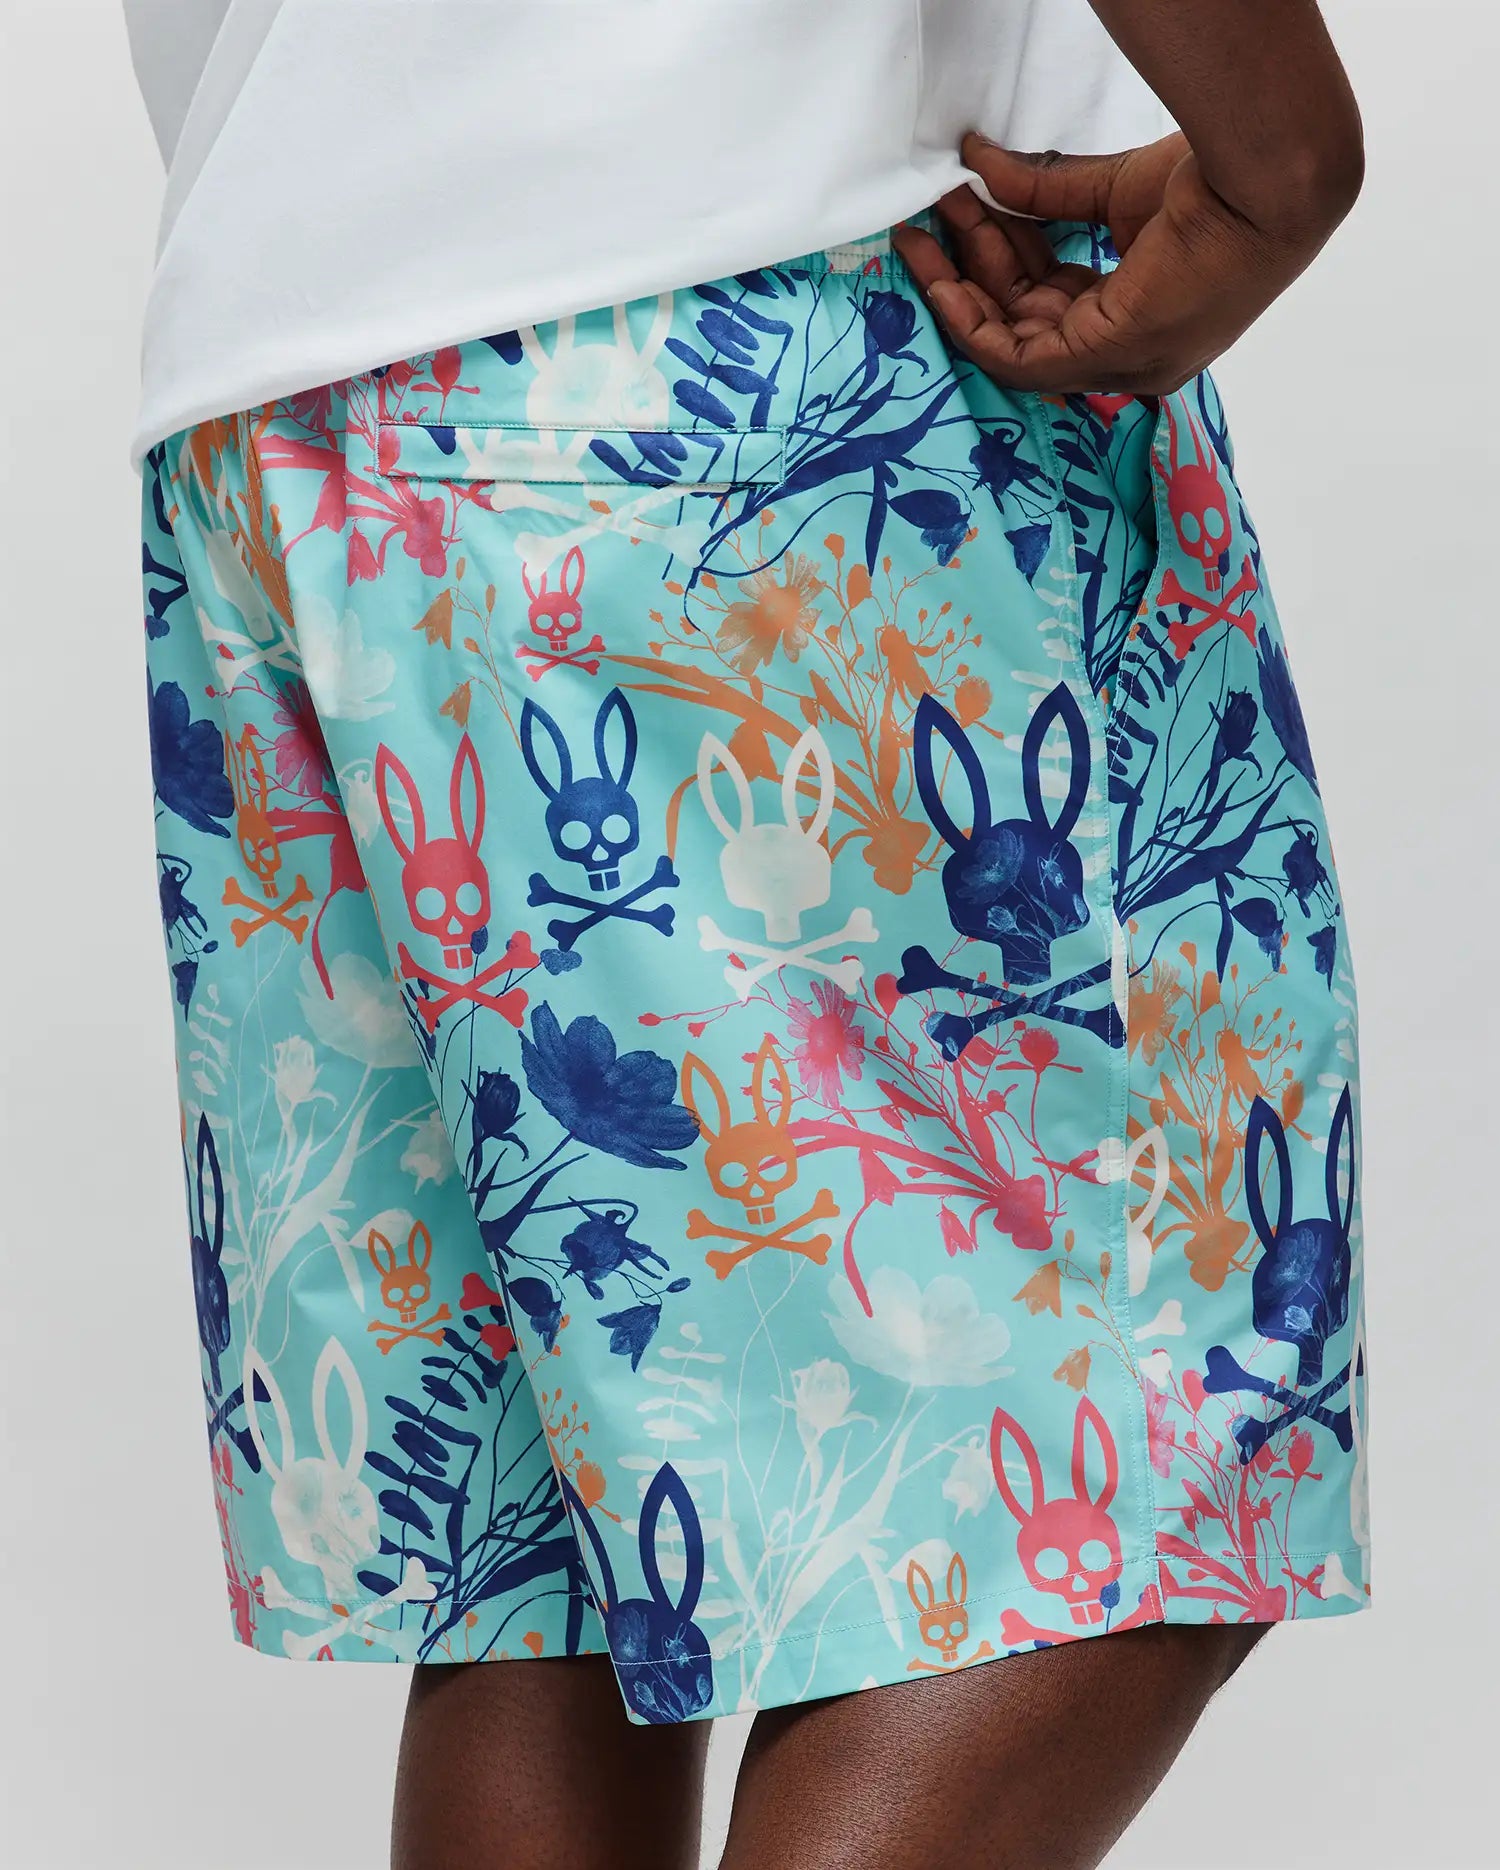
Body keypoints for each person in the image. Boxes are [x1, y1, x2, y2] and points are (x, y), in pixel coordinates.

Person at [124, 3, 1371, 1866]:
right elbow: (1275, 153)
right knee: (1144, 1444)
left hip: (300, 444)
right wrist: (1286, 166)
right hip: (762, 352)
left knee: (547, 1569)